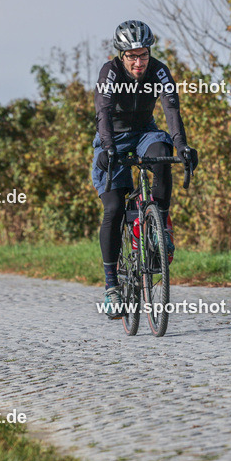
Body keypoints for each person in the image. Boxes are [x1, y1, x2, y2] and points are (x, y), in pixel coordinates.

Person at [92, 20, 198, 318]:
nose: (139, 62)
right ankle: (111, 286)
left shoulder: (159, 70)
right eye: (132, 56)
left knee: (163, 155)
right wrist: (107, 147)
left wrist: (183, 146)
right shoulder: (109, 72)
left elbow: (171, 108)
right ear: (121, 55)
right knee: (113, 208)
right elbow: (103, 110)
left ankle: (159, 225)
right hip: (113, 136)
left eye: (143, 55)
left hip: (145, 133)